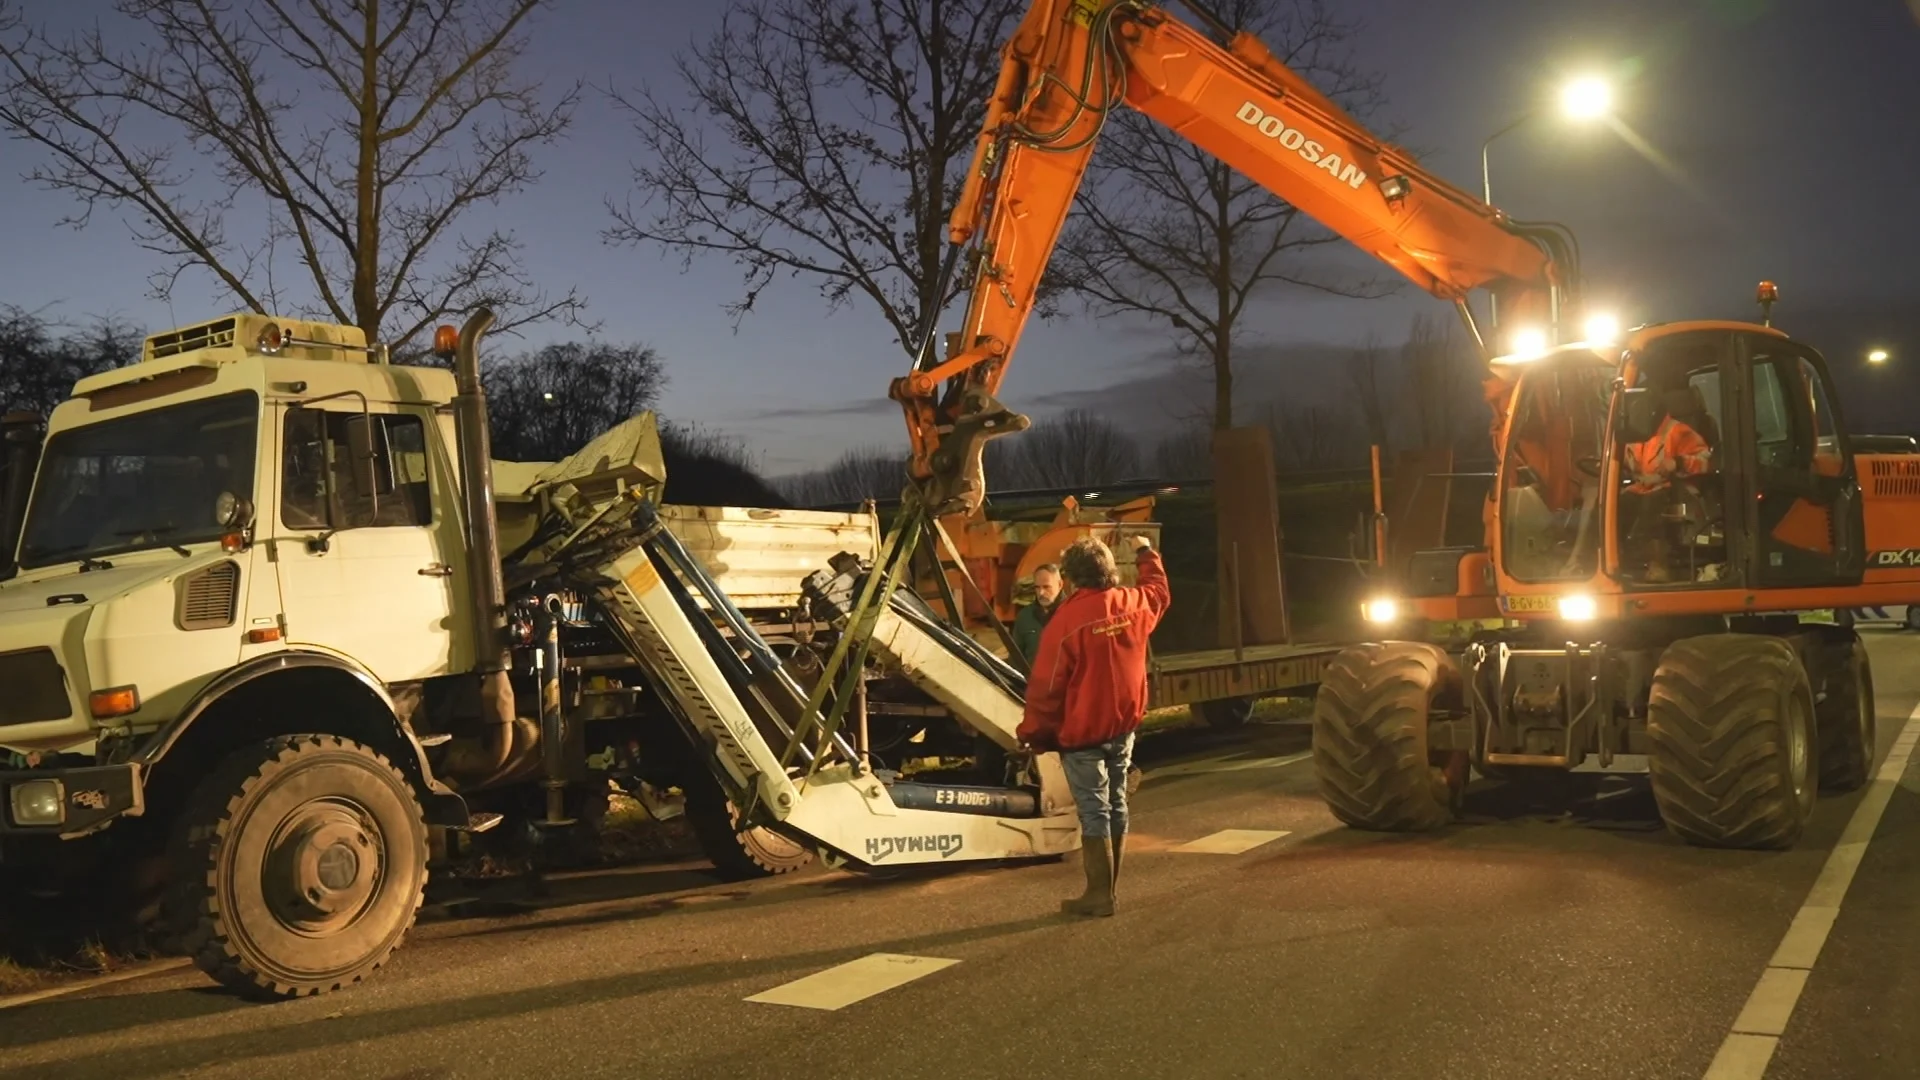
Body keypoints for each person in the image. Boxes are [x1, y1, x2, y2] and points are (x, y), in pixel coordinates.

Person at [1017, 534, 1171, 918]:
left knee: (1094, 810)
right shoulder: (1133, 604)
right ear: (1108, 569)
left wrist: (1032, 735)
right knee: (1116, 802)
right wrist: (1145, 552)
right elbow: (1159, 591)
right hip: (1123, 727)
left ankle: (1099, 895)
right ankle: (1110, 891)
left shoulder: (1065, 622)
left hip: (1083, 735)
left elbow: (1046, 690)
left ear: (1070, 579)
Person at [1623, 382, 1714, 582]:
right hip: (1643, 487)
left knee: (1652, 506)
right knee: (1610, 504)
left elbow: (1706, 462)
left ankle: (1658, 565)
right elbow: (1629, 463)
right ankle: (1596, 560)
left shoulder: (1679, 431)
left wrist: (1679, 462)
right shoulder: (1634, 434)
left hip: (1675, 489)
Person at [1011, 563, 1062, 672]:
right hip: (1033, 685)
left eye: (1046, 587)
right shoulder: (1025, 617)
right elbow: (1016, 659)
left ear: (1060, 584)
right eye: (1037, 587)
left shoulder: (1073, 614)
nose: (1041, 593)